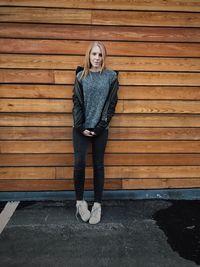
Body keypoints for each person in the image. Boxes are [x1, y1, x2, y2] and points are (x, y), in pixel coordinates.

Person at [72, 41, 119, 224]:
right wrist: (80, 125)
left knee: (98, 165)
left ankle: (97, 205)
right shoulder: (81, 76)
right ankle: (80, 203)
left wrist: (100, 126)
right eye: (94, 54)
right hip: (80, 127)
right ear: (88, 55)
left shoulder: (110, 76)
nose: (97, 58)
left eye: (100, 55)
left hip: (100, 128)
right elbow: (76, 102)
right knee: (79, 164)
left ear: (103, 57)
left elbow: (111, 104)